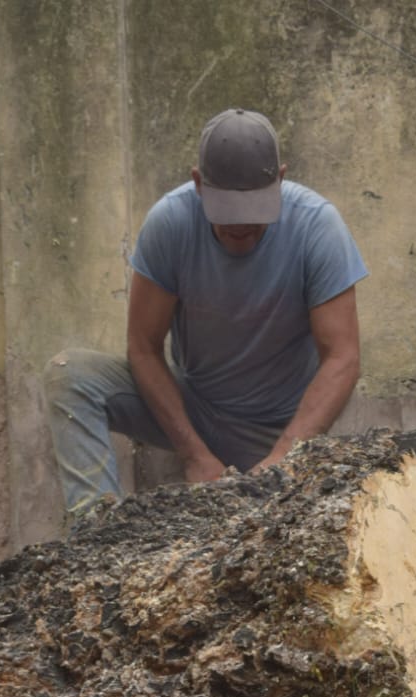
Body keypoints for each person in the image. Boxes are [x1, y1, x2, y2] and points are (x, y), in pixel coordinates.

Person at [44, 107, 367, 519]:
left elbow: (343, 358)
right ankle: (95, 536)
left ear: (280, 179)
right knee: (70, 376)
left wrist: (284, 458)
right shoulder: (170, 223)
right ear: (198, 184)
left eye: (254, 215)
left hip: (278, 426)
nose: (242, 228)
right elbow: (142, 347)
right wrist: (194, 453)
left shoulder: (318, 227)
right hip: (196, 409)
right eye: (228, 215)